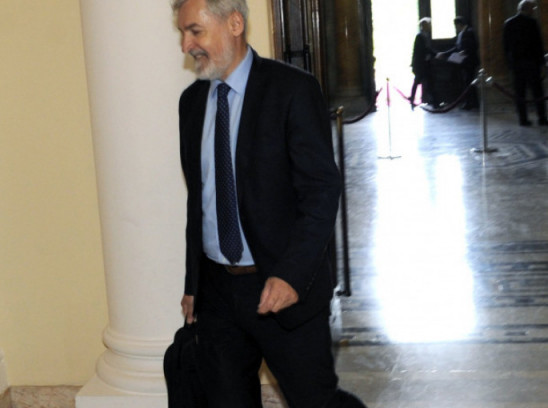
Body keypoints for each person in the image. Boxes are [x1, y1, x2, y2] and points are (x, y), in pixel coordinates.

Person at [171, 0, 369, 407]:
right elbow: (199, 203)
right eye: (183, 33)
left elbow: (321, 190)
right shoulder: (191, 103)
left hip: (282, 287)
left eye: (195, 31)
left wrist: (290, 276)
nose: (186, 45)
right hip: (217, 294)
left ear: (235, 23)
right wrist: (194, 284)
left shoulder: (292, 90)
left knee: (315, 400)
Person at [503, 0, 548, 126]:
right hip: (532, 63)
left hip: (517, 64)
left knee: (520, 92)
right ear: (526, 8)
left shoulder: (509, 23)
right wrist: (542, 63)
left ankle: (523, 119)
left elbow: (506, 47)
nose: (533, 10)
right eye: (532, 8)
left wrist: (510, 63)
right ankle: (542, 117)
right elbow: (538, 45)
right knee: (537, 91)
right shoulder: (532, 23)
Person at [437, 17, 480, 110]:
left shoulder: (469, 31)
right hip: (464, 62)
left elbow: (474, 45)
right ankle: (471, 102)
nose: (455, 28)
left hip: (470, 62)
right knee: (467, 82)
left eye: (456, 26)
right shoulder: (461, 34)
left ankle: (471, 103)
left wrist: (466, 51)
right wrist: (445, 53)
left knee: (469, 82)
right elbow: (457, 48)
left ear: (459, 24)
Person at [410, 17, 437, 109]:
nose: (429, 26)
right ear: (423, 26)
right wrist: (436, 54)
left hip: (425, 64)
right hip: (420, 65)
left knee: (429, 83)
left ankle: (434, 102)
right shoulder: (419, 36)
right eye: (428, 25)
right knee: (418, 82)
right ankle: (412, 101)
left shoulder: (425, 35)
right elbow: (423, 50)